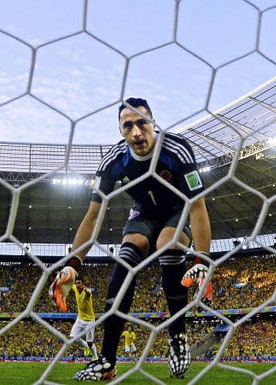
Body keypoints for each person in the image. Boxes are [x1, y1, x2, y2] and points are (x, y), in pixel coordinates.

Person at [49, 98, 213, 381]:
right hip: (143, 213)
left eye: (142, 123)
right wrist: (73, 264)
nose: (136, 132)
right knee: (125, 257)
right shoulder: (113, 161)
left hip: (177, 210)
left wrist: (202, 258)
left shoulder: (177, 150)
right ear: (121, 130)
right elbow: (92, 216)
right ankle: (107, 360)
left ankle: (177, 338)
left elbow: (197, 205)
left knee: (168, 244)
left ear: (153, 123)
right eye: (128, 126)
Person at [71, 281, 99, 360]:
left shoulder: (86, 293)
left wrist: (85, 289)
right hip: (80, 319)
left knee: (90, 342)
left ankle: (95, 356)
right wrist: (60, 274)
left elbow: (89, 292)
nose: (77, 285)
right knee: (73, 338)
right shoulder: (75, 288)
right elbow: (68, 282)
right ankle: (86, 346)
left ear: (82, 284)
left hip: (89, 321)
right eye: (76, 283)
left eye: (79, 283)